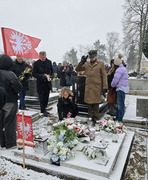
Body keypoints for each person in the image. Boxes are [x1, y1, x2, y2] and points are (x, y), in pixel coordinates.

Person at [75, 50, 108, 124]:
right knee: (89, 104)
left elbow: (104, 76)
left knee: (96, 104)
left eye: (93, 57)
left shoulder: (101, 64)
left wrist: (105, 87)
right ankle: (90, 118)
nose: (91, 59)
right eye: (90, 57)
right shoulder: (86, 64)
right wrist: (81, 63)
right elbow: (77, 69)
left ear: (96, 56)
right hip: (89, 87)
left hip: (97, 87)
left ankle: (96, 118)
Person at [0, 54, 23, 149]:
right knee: (10, 122)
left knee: (0, 122)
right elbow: (18, 88)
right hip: (10, 101)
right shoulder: (11, 74)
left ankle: (2, 142)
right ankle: (11, 143)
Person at [32, 51, 53, 117]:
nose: (43, 58)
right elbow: (34, 74)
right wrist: (41, 76)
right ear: (39, 56)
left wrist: (51, 76)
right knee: (41, 97)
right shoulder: (36, 63)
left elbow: (52, 71)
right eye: (42, 56)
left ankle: (45, 108)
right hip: (40, 83)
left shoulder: (49, 62)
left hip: (47, 83)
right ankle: (42, 109)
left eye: (44, 56)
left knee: (46, 97)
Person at [111, 54, 129, 122]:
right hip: (123, 88)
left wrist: (112, 85)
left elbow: (115, 80)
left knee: (120, 104)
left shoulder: (119, 70)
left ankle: (119, 118)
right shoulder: (123, 68)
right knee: (121, 103)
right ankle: (119, 117)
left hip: (120, 88)